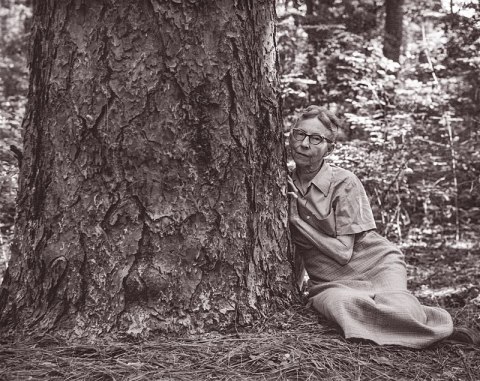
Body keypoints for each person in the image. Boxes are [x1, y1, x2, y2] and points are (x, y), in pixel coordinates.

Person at [287, 105, 480, 348]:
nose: (304, 144)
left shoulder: (345, 183)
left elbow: (343, 252)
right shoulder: (281, 180)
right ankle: (408, 330)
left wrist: (297, 223)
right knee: (342, 305)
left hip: (376, 264)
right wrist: (291, 291)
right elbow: (291, 250)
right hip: (329, 279)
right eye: (299, 134)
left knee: (401, 309)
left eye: (316, 139)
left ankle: (438, 328)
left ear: (330, 148)